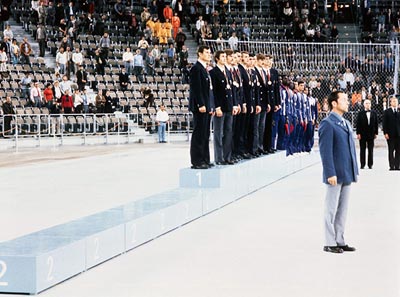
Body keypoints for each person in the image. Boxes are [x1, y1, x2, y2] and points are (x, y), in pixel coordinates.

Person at [318, 90, 358, 254]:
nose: (347, 102)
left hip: (347, 171)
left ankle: (339, 239)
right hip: (335, 173)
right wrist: (329, 172)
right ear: (334, 103)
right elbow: (325, 151)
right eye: (344, 100)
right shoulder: (328, 123)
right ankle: (329, 242)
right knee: (331, 209)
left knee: (342, 209)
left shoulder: (345, 123)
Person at [189, 45, 213, 169]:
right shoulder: (196, 68)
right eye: (207, 52)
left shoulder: (205, 69)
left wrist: (209, 106)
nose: (209, 54)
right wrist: (201, 104)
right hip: (200, 106)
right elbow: (196, 88)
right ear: (200, 54)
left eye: (210, 52)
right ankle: (197, 160)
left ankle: (205, 158)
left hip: (206, 106)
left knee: (205, 133)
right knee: (199, 133)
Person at [356, 99, 378, 169]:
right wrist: (358, 133)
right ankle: (362, 164)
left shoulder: (374, 113)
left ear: (371, 104)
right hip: (362, 134)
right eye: (366, 103)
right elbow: (358, 124)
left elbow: (376, 123)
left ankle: (370, 164)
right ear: (364, 105)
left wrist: (376, 133)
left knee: (370, 150)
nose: (368, 105)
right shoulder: (360, 113)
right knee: (362, 149)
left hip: (371, 134)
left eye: (369, 103)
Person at [382, 95, 400, 171]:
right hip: (390, 135)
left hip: (399, 135)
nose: (395, 102)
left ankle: (397, 166)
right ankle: (391, 166)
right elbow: (384, 123)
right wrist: (385, 133)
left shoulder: (399, 111)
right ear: (390, 102)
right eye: (393, 101)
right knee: (391, 150)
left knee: (398, 151)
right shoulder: (387, 112)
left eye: (396, 101)